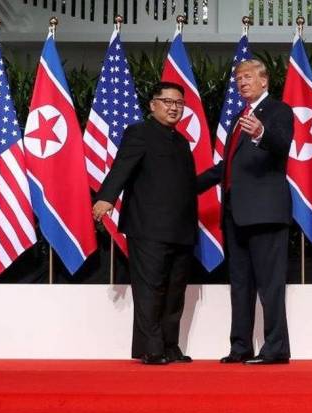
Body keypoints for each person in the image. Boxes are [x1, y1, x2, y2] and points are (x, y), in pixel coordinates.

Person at [197, 59, 294, 365]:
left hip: (266, 213)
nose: (242, 82)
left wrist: (262, 132)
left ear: (264, 81)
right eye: (238, 78)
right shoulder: (239, 117)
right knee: (240, 285)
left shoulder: (278, 111)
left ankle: (275, 349)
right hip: (235, 215)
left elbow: (282, 144)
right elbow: (226, 167)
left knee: (270, 285)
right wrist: (188, 185)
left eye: (248, 77)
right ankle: (240, 347)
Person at [93, 82, 197, 365]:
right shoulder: (139, 132)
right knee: (150, 289)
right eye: (168, 102)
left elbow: (186, 185)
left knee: (175, 291)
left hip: (181, 228)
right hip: (148, 227)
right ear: (153, 105)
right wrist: (106, 198)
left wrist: (221, 174)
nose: (174, 108)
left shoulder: (182, 142)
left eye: (179, 103)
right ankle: (151, 349)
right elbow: (122, 167)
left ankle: (170, 345)